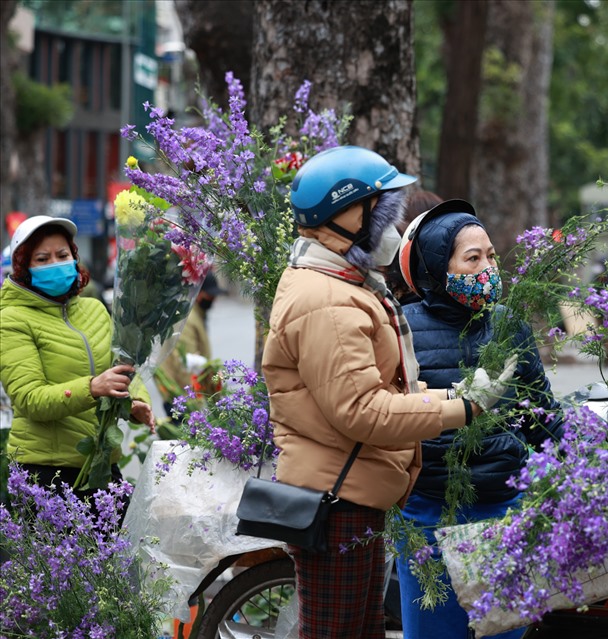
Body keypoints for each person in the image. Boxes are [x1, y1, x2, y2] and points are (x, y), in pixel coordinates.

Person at [261, 146, 515, 639]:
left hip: (352, 492)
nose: (393, 230)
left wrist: (446, 397)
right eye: (383, 213)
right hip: (338, 501)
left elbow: (377, 388)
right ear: (344, 216)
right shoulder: (327, 300)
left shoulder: (341, 285)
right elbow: (362, 412)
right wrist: (462, 407)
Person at [396, 199, 565, 639]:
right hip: (429, 516)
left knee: (506, 631)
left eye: (490, 255)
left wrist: (594, 450)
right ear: (437, 269)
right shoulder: (400, 328)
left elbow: (541, 418)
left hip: (504, 512)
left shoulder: (509, 325)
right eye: (472, 258)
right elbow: (391, 416)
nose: (488, 267)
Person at [0, 215, 155, 498]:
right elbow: (30, 399)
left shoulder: (94, 309)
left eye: (62, 255)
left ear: (74, 257)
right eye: (42, 259)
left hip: (102, 464)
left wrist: (136, 400)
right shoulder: (11, 320)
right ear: (24, 268)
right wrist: (92, 387)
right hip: (46, 473)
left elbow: (120, 366)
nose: (55, 264)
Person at [156, 274, 224, 419]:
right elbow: (186, 364)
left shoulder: (196, 313)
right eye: (210, 295)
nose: (213, 299)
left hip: (182, 394)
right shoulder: (188, 318)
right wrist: (195, 400)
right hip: (181, 395)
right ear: (199, 294)